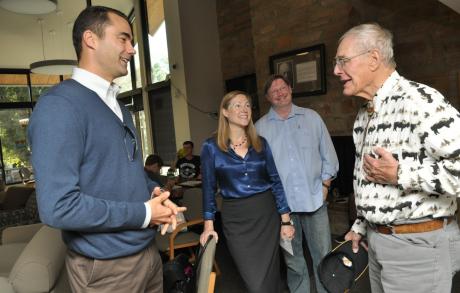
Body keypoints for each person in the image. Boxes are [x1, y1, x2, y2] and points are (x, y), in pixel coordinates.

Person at [28, 6, 184, 293]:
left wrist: (152, 192)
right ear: (91, 39)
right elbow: (57, 207)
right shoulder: (59, 107)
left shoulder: (118, 106)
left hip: (148, 254)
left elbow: (125, 172)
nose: (132, 49)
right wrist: (145, 214)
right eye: (123, 39)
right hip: (106, 270)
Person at [334, 23, 460, 293]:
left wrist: (401, 174)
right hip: (378, 244)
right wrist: (360, 225)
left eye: (343, 61)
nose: (336, 70)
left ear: (373, 59)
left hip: (418, 246)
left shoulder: (421, 101)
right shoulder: (365, 113)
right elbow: (367, 179)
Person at [200, 90, 295, 293]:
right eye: (237, 105)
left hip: (266, 215)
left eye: (247, 105)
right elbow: (208, 188)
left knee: (271, 276)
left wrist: (285, 220)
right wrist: (208, 225)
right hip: (236, 220)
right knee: (255, 283)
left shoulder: (261, 143)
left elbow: (276, 182)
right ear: (225, 112)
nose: (244, 109)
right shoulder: (211, 147)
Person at [256, 75, 339, 293]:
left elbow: (329, 157)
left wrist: (325, 188)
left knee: (324, 257)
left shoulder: (312, 118)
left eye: (283, 88)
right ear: (267, 97)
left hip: (315, 202)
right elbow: (258, 171)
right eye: (274, 91)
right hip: (283, 211)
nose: (280, 93)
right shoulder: (259, 128)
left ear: (291, 89)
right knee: (294, 263)